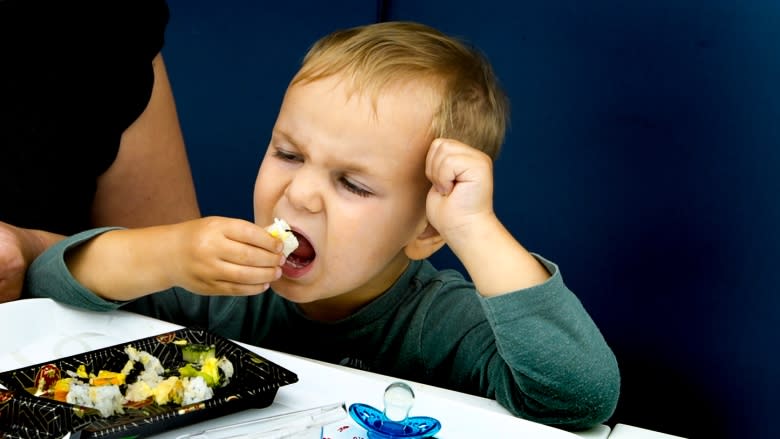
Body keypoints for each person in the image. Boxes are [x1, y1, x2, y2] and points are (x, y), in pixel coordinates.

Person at [25, 21, 620, 429]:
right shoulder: (221, 286)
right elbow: (49, 284)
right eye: (288, 154)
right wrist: (169, 252)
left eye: (354, 184)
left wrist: (474, 227)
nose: (300, 192)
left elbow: (577, 398)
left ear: (425, 231)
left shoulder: (445, 325)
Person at [0, 0, 200, 302]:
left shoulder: (101, 30)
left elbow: (178, 296)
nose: (298, 195)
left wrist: (29, 249)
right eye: (286, 155)